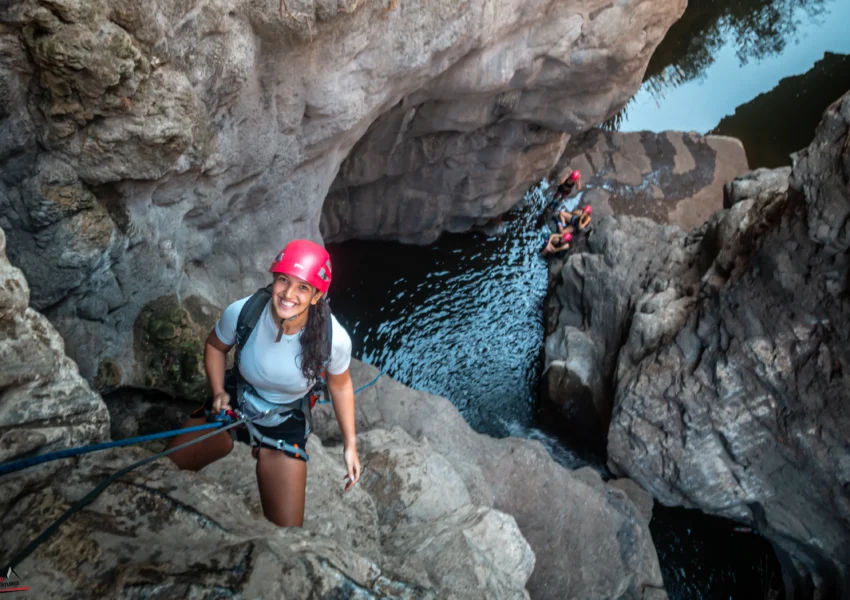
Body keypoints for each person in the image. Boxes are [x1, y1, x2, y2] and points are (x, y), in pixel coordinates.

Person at [166, 239, 360, 528]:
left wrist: (350, 445)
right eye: (284, 280)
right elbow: (215, 347)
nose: (288, 294)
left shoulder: (334, 340)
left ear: (317, 296)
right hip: (235, 401)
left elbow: (341, 385)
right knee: (165, 470)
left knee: (287, 531)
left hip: (286, 417)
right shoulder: (245, 312)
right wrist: (218, 391)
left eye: (302, 287)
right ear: (274, 279)